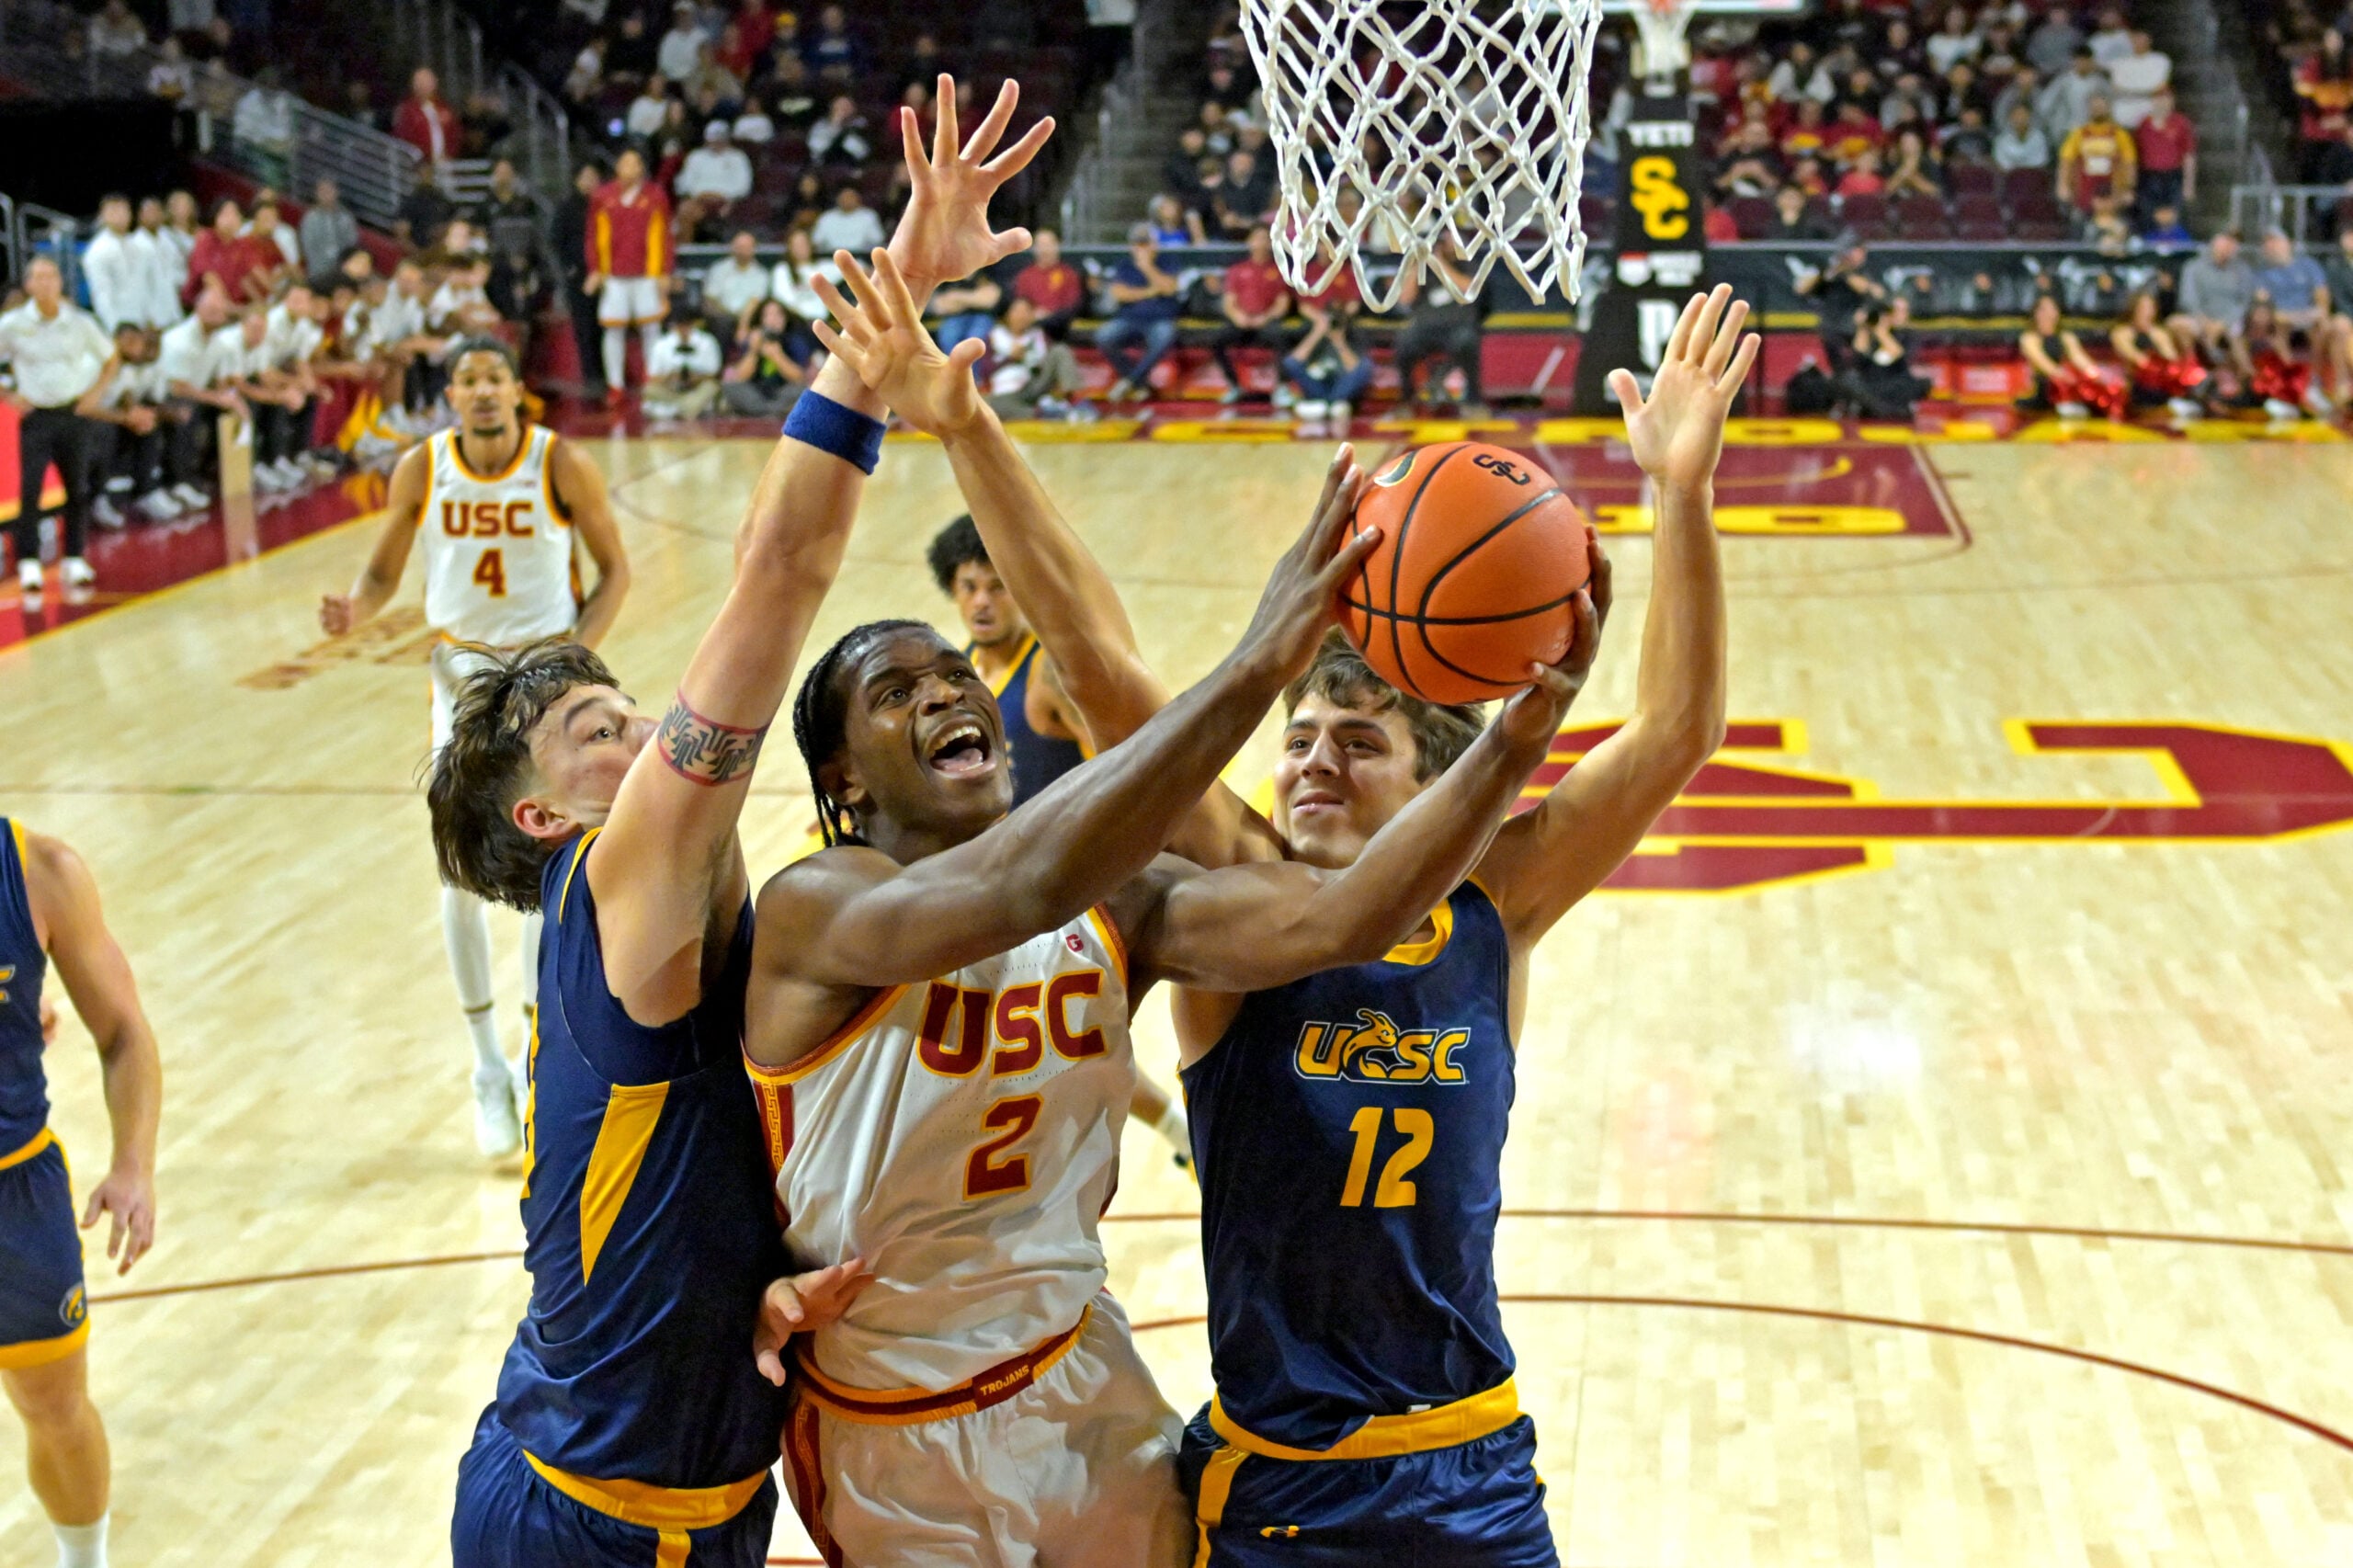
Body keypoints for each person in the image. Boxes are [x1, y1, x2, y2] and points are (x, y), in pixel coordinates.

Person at [749, 245, 1592, 1568]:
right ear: (845, 776)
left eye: (951, 672)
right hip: (887, 1418)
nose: (949, 690)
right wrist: (1260, 652)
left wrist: (1510, 739)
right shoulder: (820, 904)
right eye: (896, 690)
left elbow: (1333, 923)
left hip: (1080, 1386)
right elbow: (1033, 851)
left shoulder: (1129, 902)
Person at [922, 279, 1753, 1568]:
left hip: (1470, 1465)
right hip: (1283, 1480)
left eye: (1355, 744)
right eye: (1298, 738)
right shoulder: (1235, 896)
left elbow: (1678, 729)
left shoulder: (1494, 901)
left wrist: (1683, 494)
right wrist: (967, 424)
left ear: (1437, 782)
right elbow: (1089, 660)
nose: (1309, 763)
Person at [432, 78, 1052, 1568]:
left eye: (624, 708)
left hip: (675, 1497)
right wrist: (898, 286)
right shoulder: (616, 875)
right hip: (591, 1520)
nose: (639, 727)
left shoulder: (692, 939)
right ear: (540, 810)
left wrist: (758, 1289)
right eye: (594, 731)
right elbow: (780, 568)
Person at [317, 337, 631, 1158]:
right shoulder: (422, 467)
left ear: (516, 391)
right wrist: (355, 605)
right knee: (458, 883)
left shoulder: (560, 462)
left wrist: (572, 663)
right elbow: (385, 573)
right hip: (459, 685)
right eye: (468, 380)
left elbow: (615, 573)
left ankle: (534, 1058)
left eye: (495, 377)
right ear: (450, 393)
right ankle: (486, 1067)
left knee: (545, 868)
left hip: (540, 687)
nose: (482, 391)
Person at [0, 817, 163, 1568]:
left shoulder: (43, 871)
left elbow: (124, 1030)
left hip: (14, 1194)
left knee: (54, 1407)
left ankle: (84, 1562)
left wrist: (133, 1164)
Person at [1, 258, 117, 601]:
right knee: (31, 490)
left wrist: (95, 394)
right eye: (38, 277)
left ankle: (75, 557)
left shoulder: (79, 323)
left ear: (60, 283)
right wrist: (8, 395)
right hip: (36, 416)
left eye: (51, 276)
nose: (46, 283)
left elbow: (111, 358)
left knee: (77, 488)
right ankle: (29, 563)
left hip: (73, 413)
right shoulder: (12, 324)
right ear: (28, 285)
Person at [586, 147, 676, 408]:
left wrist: (664, 271)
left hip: (647, 273)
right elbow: (593, 236)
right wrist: (595, 269)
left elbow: (665, 235)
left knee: (651, 329)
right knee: (613, 329)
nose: (630, 168)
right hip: (613, 275)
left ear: (641, 168)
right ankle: (615, 385)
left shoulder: (655, 195)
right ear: (617, 167)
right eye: (625, 162)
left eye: (635, 163)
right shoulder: (603, 197)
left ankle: (653, 382)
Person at [80, 324, 183, 523]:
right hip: (82, 424)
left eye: (139, 343)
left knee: (148, 425)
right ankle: (97, 499)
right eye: (130, 342)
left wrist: (136, 413)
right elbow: (84, 408)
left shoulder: (126, 368)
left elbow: (125, 395)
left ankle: (145, 492)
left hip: (108, 418)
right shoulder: (94, 365)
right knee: (105, 431)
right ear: (116, 342)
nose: (137, 348)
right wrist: (124, 418)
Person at [1394, 242, 1486, 413]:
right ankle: (1406, 401)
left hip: (1457, 327)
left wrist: (1439, 263)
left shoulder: (1468, 264)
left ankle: (1473, 402)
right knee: (1404, 340)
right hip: (1425, 328)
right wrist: (1417, 264)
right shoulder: (1423, 269)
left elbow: (1471, 289)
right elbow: (1404, 299)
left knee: (1467, 341)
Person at [1097, 222, 1183, 402]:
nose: (1142, 248)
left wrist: (1147, 268)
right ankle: (1140, 384)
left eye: (1146, 244)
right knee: (1103, 336)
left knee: (1166, 335)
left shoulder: (1167, 262)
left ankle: (1130, 381)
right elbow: (1119, 294)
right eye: (1138, 244)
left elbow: (1169, 289)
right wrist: (1150, 292)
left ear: (1155, 244)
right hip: (1129, 318)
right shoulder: (1125, 265)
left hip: (1160, 318)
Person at [1210, 223, 1290, 404]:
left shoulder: (1279, 270)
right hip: (1242, 320)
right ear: (1249, 242)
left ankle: (1282, 388)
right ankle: (1234, 385)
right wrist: (1238, 316)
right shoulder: (1237, 269)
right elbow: (1229, 302)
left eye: (1265, 239)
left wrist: (1266, 317)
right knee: (1217, 340)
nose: (1261, 243)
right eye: (1257, 238)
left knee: (1282, 338)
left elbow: (1282, 304)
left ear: (1271, 243)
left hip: (1266, 320)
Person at [2018, 293, 2122, 418]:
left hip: (2069, 382)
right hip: (2047, 387)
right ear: (2035, 314)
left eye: (2052, 309)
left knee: (2099, 392)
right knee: (2061, 387)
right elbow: (2044, 364)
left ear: (2058, 313)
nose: (2048, 314)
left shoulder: (2066, 337)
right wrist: (2064, 376)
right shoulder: (2029, 338)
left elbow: (2080, 359)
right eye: (2043, 309)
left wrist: (2098, 376)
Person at [2110, 290, 2209, 416]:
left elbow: (2171, 359)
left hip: (2162, 382)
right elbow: (2138, 360)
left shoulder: (2160, 334)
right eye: (2143, 307)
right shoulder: (2121, 333)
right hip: (2136, 383)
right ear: (2133, 309)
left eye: (2150, 307)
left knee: (2186, 373)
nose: (2147, 312)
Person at [982, 294, 1084, 417]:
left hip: (1035, 385)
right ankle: (1046, 414)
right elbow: (985, 371)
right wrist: (1011, 358)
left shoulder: (1039, 335)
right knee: (996, 405)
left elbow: (1051, 364)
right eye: (1017, 311)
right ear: (1007, 314)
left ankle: (1077, 402)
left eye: (1027, 311)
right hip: (1008, 391)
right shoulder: (994, 337)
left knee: (1060, 350)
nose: (1022, 316)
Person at [2236, 297, 2331, 419]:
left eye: (2265, 314)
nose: (2261, 318)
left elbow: (2287, 361)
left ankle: (2302, 402)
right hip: (2257, 378)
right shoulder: (2242, 337)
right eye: (2258, 314)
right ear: (2250, 315)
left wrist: (2279, 342)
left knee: (2294, 374)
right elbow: (2245, 366)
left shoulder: (2277, 334)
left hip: (2277, 376)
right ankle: (2284, 403)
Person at [1278, 306, 1371, 422]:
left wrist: (1339, 342)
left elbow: (1356, 369)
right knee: (1290, 363)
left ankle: (1329, 405)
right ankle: (1329, 406)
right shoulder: (1313, 333)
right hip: (1317, 386)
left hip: (1340, 387)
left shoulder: (1353, 336)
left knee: (1365, 366)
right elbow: (1293, 362)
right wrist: (1317, 332)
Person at [2170, 231, 2254, 357]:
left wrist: (2222, 322)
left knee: (2234, 332)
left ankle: (2237, 369)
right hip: (2200, 317)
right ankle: (2192, 367)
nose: (2228, 247)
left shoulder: (2243, 270)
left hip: (2231, 320)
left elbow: (2244, 302)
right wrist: (2203, 320)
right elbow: (2188, 298)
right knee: (2178, 324)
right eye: (2225, 241)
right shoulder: (2193, 267)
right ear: (2214, 242)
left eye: (2233, 243)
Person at [722, 298, 810, 416]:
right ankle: (771, 412)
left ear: (785, 318)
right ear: (761, 320)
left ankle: (765, 412)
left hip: (782, 391)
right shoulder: (753, 339)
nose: (773, 320)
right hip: (756, 392)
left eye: (778, 315)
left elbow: (799, 378)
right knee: (730, 387)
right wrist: (754, 351)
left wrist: (778, 356)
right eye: (768, 315)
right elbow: (741, 377)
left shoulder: (794, 339)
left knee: (803, 390)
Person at [2057, 93, 2134, 214]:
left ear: (2107, 108)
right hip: (2084, 189)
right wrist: (2063, 186)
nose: (2097, 110)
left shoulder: (2120, 134)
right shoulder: (2078, 134)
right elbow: (2066, 161)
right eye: (2094, 107)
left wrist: (2128, 189)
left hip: (2112, 189)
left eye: (2100, 107)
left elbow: (2129, 163)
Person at [642, 309, 727, 418]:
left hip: (698, 388)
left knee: (712, 387)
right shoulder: (661, 345)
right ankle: (686, 407)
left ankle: (678, 409)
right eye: (680, 325)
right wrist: (670, 377)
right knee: (649, 389)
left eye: (687, 325)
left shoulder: (707, 342)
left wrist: (697, 378)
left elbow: (715, 374)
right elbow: (653, 377)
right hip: (671, 390)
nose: (683, 329)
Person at [677, 120, 755, 238]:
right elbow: (685, 183)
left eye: (720, 139)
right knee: (684, 210)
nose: (717, 143)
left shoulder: (738, 157)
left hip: (728, 202)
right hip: (700, 200)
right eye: (713, 139)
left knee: (744, 212)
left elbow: (744, 185)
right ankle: (685, 252)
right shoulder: (695, 157)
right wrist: (701, 196)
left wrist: (728, 199)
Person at [2252, 228, 2330, 335]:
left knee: (2339, 325)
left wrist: (2322, 311)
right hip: (2281, 316)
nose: (2271, 246)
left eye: (2275, 241)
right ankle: (2283, 352)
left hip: (2308, 313)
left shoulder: (2308, 264)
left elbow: (2321, 291)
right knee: (2263, 317)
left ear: (2289, 243)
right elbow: (2262, 298)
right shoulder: (2262, 272)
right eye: (2267, 243)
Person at [1013, 227, 1086, 340]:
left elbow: (1072, 305)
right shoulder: (1025, 276)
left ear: (1057, 246)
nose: (1044, 250)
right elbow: (1020, 302)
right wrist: (1033, 314)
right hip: (1031, 324)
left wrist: (1050, 314)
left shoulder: (1069, 274)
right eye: (1040, 245)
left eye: (1048, 244)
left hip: (1058, 327)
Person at [702, 230, 774, 341]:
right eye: (739, 246)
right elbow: (711, 298)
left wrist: (743, 324)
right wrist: (728, 315)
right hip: (722, 316)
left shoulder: (761, 274)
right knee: (722, 323)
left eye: (746, 247)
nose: (742, 250)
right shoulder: (719, 269)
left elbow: (755, 302)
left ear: (753, 249)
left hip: (751, 317)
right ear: (732, 247)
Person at [394, 66, 464, 170]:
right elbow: (403, 138)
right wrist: (422, 161)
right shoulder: (407, 111)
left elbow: (456, 134)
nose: (424, 86)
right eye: (420, 82)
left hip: (446, 164)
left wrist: (450, 155)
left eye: (427, 82)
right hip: (420, 167)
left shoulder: (445, 108)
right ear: (414, 85)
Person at [926, 267, 1004, 356]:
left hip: (984, 315)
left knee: (975, 340)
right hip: (955, 316)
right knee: (948, 336)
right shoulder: (949, 270)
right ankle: (955, 368)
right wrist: (976, 298)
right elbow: (940, 305)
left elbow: (990, 301)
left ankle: (970, 369)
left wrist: (958, 298)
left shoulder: (988, 268)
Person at [299, 179, 358, 290]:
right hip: (319, 275)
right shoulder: (310, 219)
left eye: (330, 190)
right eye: (322, 191)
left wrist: (343, 269)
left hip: (344, 273)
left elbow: (352, 245)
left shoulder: (346, 217)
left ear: (337, 192)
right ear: (316, 194)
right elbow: (309, 250)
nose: (326, 195)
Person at [812, 185, 886, 257]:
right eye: (843, 197)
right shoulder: (826, 217)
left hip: (861, 260)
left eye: (850, 196)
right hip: (828, 261)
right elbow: (816, 242)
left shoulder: (868, 216)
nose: (846, 200)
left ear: (858, 198)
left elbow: (878, 241)